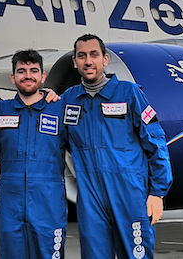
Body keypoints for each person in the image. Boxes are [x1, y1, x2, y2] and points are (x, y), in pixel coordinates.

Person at [62, 34, 173, 259]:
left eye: (94, 55)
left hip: (130, 196)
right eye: (82, 56)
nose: (88, 61)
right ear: (75, 62)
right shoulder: (68, 100)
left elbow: (155, 142)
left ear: (105, 59)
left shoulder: (129, 93)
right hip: (91, 199)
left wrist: (156, 193)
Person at [0, 50, 68, 259]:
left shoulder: (60, 109)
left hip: (48, 204)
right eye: (21, 71)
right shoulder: (0, 111)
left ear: (43, 77)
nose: (28, 75)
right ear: (13, 77)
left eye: (34, 70)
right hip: (9, 206)